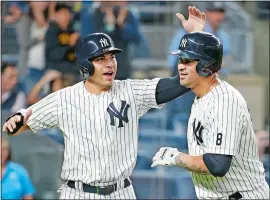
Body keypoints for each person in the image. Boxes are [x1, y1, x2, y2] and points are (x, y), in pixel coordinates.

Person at [3, 6, 206, 199]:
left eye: (111, 57)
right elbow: (20, 122)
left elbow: (182, 82)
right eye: (101, 59)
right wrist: (16, 121)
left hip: (121, 191)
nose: (109, 63)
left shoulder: (131, 91)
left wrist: (198, 38)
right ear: (85, 65)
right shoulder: (65, 98)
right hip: (78, 192)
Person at [151, 32, 269, 199]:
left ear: (206, 66)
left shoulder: (224, 102)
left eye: (187, 61)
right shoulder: (202, 95)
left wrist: (177, 157)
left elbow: (217, 164)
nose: (180, 67)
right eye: (180, 60)